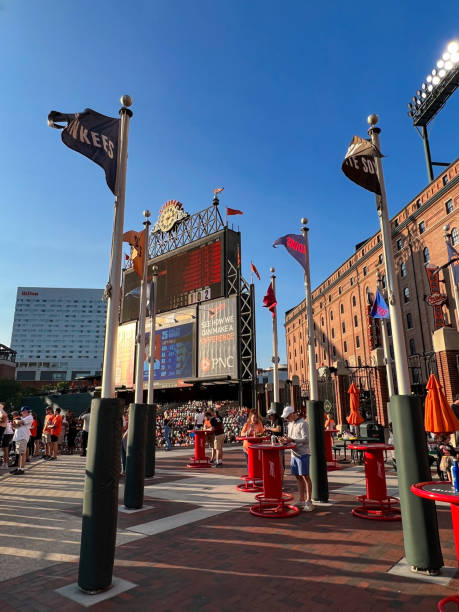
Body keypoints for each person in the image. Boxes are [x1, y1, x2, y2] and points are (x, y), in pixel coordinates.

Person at [281, 405, 314, 511]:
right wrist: (286, 440)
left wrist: (292, 440)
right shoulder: (290, 424)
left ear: (292, 414)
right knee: (298, 477)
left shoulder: (303, 423)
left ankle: (309, 501)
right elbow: (291, 438)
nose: (286, 419)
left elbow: (306, 439)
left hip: (303, 453)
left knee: (305, 477)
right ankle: (301, 499)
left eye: (287, 417)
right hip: (294, 454)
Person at [10, 407, 33, 476]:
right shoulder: (22, 417)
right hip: (18, 437)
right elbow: (14, 426)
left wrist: (16, 421)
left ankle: (21, 469)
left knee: (22, 453)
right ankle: (19, 468)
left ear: (26, 411)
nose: (21, 413)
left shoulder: (29, 417)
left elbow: (18, 422)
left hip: (23, 437)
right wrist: (14, 422)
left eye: (22, 412)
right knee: (20, 454)